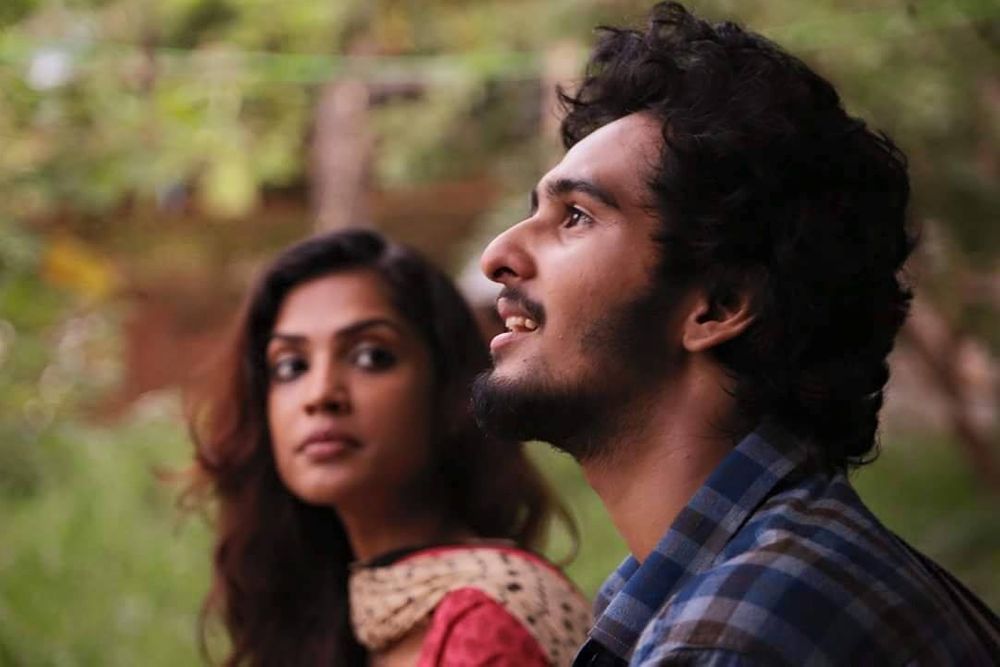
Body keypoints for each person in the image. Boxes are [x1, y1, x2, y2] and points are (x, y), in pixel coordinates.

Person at [472, 3, 1000, 665]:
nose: (497, 255)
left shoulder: (736, 633)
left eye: (576, 215)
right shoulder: (741, 582)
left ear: (718, 306)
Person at [186, 229, 590, 666]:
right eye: (291, 366)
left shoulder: (484, 622)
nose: (320, 394)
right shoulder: (338, 621)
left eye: (371, 357)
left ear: (448, 391)